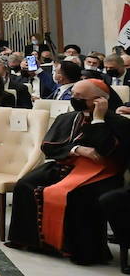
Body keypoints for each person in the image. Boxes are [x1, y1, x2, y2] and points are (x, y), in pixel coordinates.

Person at [7, 79, 130, 265]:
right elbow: (48, 147)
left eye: (80, 97)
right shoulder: (67, 118)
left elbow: (108, 151)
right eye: (73, 95)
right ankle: (30, 241)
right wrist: (77, 150)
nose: (74, 99)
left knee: (79, 195)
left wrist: (98, 119)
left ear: (100, 100)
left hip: (102, 172)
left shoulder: (120, 122)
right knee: (25, 184)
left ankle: (79, 251)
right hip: (65, 164)